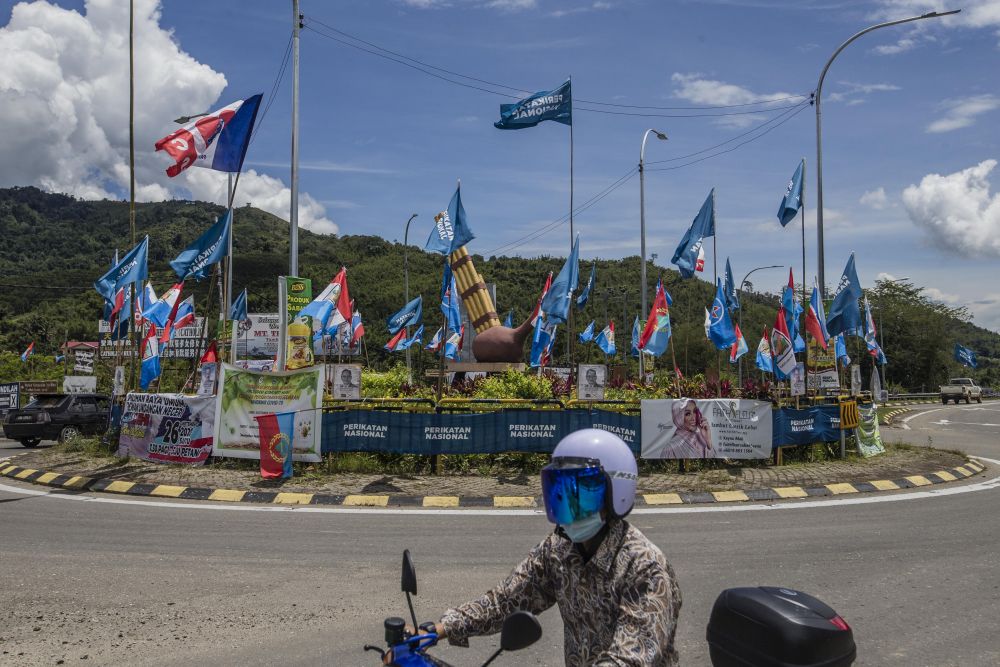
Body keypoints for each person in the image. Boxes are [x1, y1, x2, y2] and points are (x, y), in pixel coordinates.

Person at [431, 429, 682, 666]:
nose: (570, 508)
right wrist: (436, 630)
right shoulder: (558, 550)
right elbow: (506, 602)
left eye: (582, 496)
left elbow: (629, 658)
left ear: (615, 494)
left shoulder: (645, 567)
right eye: (560, 493)